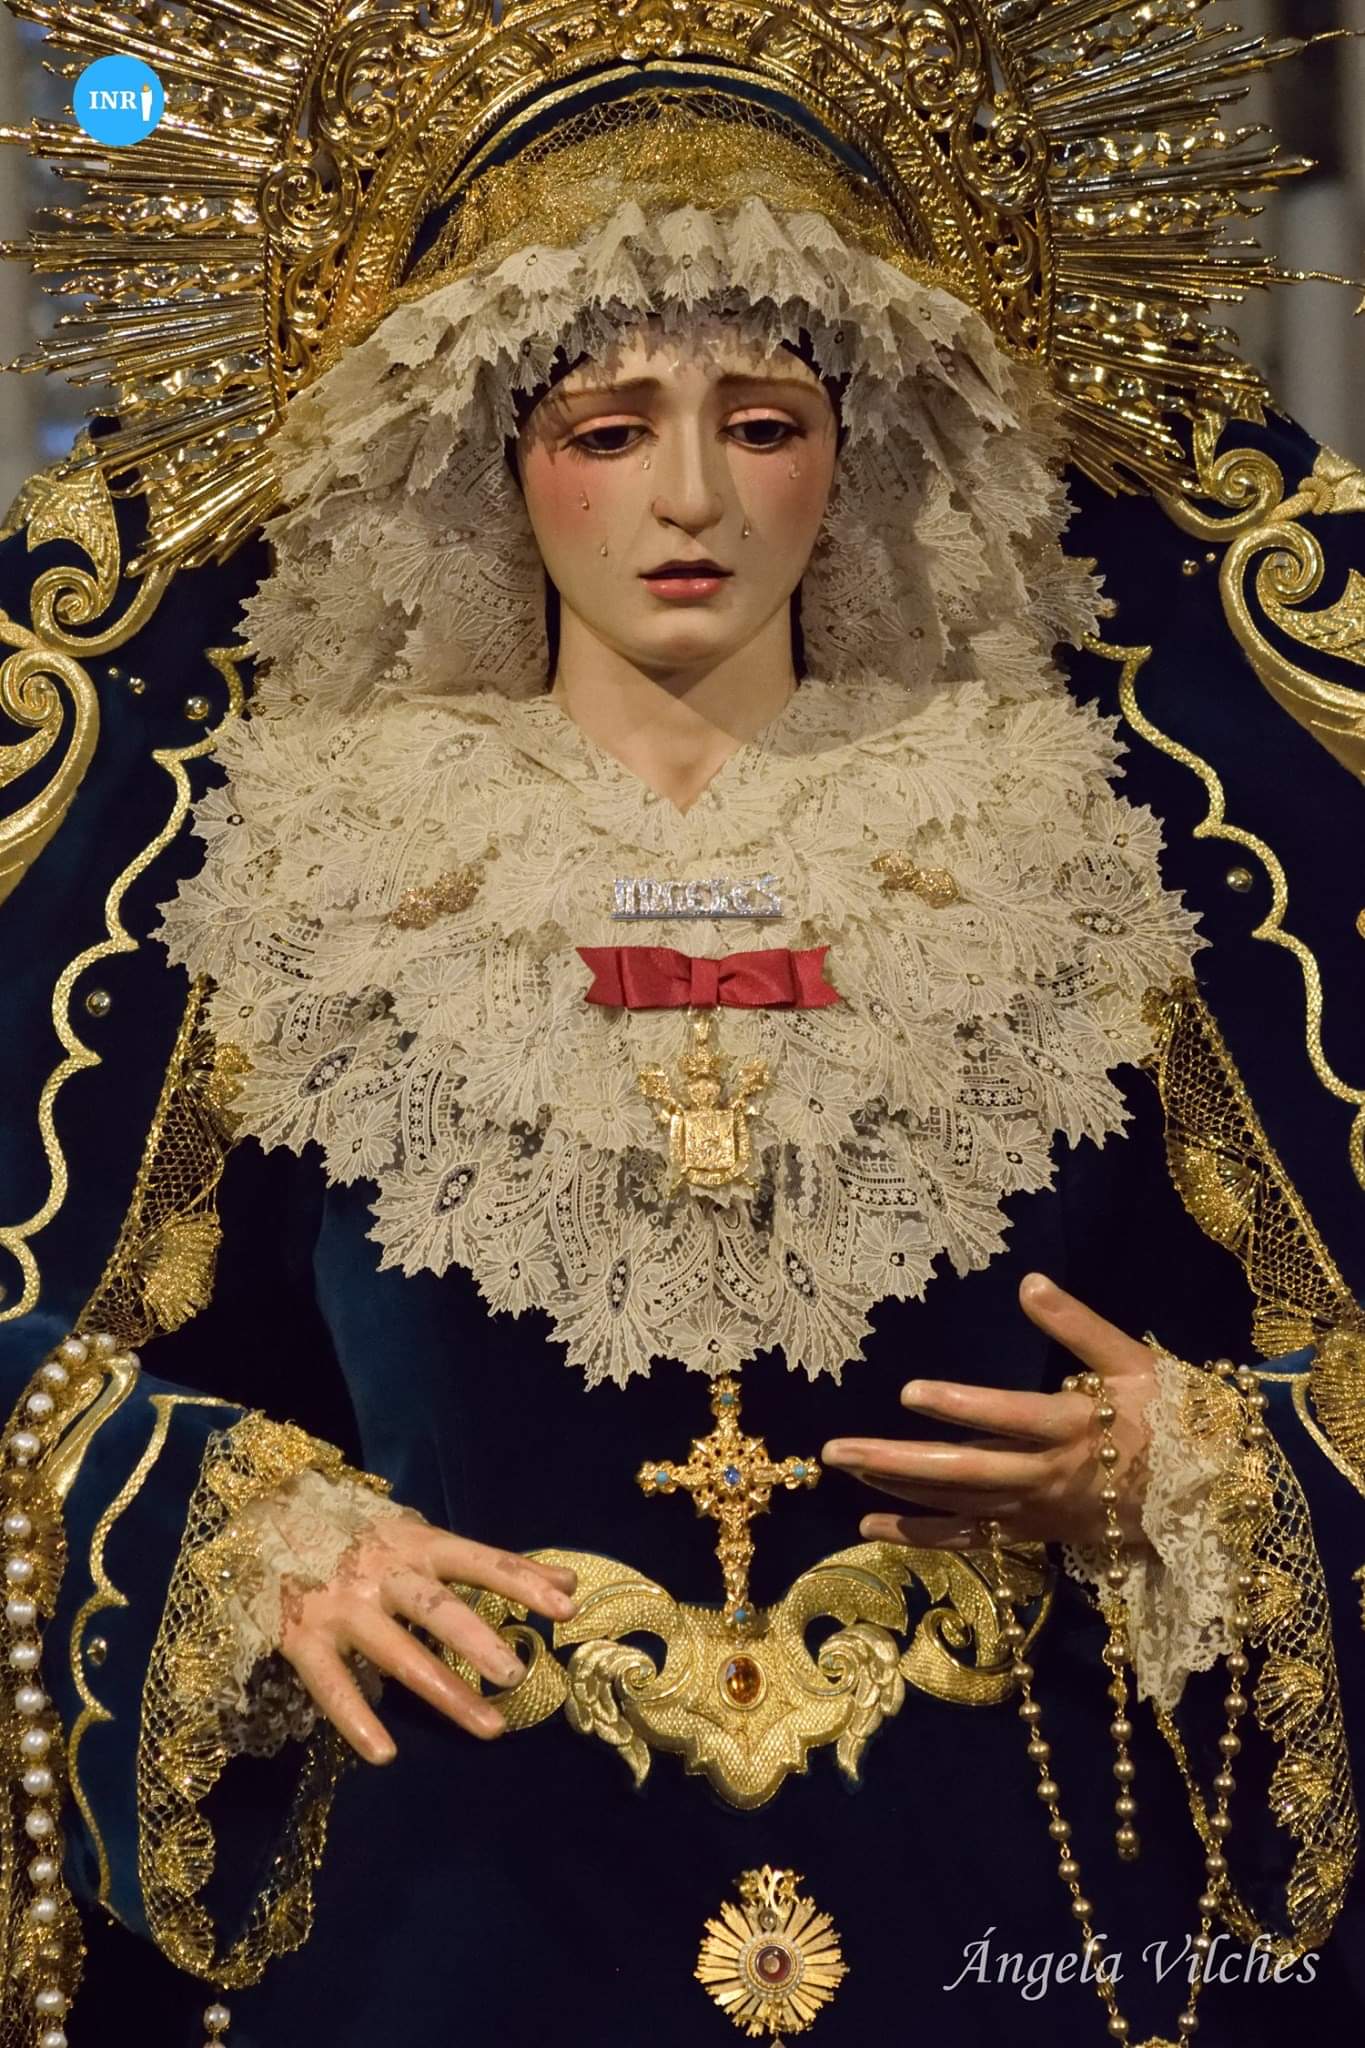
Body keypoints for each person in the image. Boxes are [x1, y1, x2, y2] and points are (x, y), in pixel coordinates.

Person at [1, 6, 1363, 2046]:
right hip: (450, 1908)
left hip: (996, 1910)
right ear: (494, 456)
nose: (692, 498)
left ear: (858, 444)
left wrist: (1202, 1464)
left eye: (764, 420)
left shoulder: (1057, 834)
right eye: (608, 428)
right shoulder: (308, 856)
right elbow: (40, 1344)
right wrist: (227, 1526)